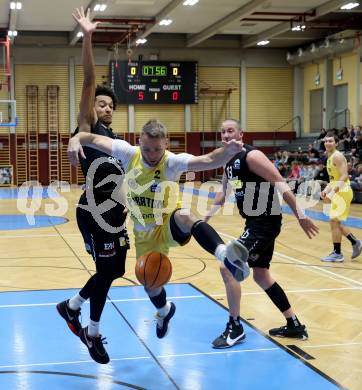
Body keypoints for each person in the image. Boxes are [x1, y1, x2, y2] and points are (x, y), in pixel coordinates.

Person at [68, 118, 251, 343]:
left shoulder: (171, 162)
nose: (152, 154)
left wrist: (227, 152)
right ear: (139, 142)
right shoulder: (128, 153)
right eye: (147, 148)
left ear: (166, 143)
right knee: (151, 286)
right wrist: (76, 139)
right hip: (144, 236)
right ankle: (164, 311)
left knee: (185, 216)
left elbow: (207, 159)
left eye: (157, 149)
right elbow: (94, 138)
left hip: (167, 224)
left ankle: (226, 255)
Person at [204, 119, 319, 348]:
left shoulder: (252, 156)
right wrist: (203, 219)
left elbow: (281, 183)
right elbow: (224, 192)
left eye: (230, 131)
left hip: (264, 222)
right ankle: (293, 324)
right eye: (223, 132)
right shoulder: (228, 160)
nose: (226, 135)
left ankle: (235, 328)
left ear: (241, 134)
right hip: (254, 223)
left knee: (227, 266)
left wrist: (301, 216)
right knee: (260, 275)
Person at [56, 7, 130, 364]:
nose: (106, 107)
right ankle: (93, 331)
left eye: (110, 105)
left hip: (115, 213)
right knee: (105, 271)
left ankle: (71, 307)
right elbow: (88, 80)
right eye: (101, 103)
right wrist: (87, 36)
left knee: (116, 270)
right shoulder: (88, 129)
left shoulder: (113, 139)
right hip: (95, 211)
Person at [320, 131, 362, 262]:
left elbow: (344, 176)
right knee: (335, 222)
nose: (327, 143)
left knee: (334, 221)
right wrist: (326, 189)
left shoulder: (337, 156)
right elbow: (334, 179)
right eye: (326, 141)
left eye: (331, 141)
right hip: (338, 191)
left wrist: (333, 191)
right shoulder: (329, 157)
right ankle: (355, 242)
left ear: (336, 143)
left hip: (342, 192)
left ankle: (338, 253)